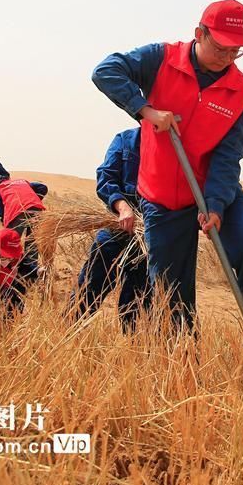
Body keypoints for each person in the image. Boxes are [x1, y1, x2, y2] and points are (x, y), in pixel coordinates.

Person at [91, 0, 243, 374]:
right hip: (163, 196)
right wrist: (146, 111)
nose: (227, 57)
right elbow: (106, 71)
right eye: (220, 46)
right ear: (199, 34)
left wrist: (218, 205)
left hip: (214, 189)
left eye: (235, 50)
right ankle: (183, 364)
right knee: (172, 290)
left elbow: (229, 154)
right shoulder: (161, 59)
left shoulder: (240, 89)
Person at [71, 128, 149, 332]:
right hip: (118, 225)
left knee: (138, 297)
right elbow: (106, 178)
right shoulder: (125, 140)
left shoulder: (175, 147)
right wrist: (123, 207)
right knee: (91, 284)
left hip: (150, 234)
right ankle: (68, 332)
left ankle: (132, 347)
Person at [0, 178, 48, 291]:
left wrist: (2, 224)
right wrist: (36, 199)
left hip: (17, 211)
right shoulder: (22, 182)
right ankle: (32, 277)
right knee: (32, 246)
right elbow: (43, 187)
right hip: (36, 209)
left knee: (10, 246)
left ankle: (10, 277)